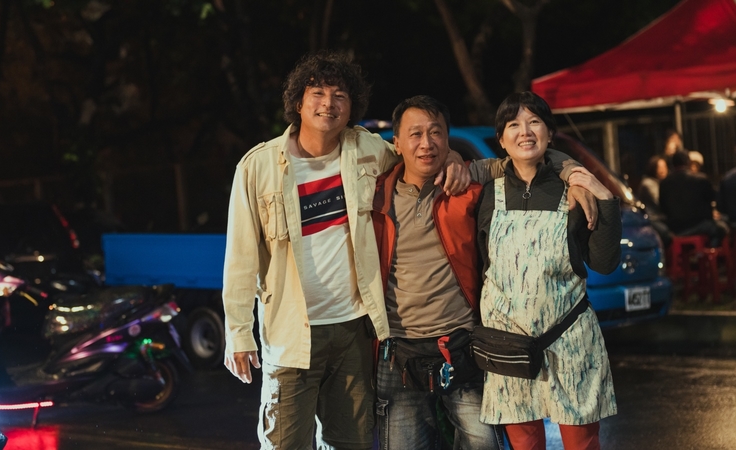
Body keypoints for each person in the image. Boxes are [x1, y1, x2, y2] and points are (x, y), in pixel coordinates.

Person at [221, 51, 474, 450]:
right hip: (291, 332)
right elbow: (239, 257)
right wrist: (238, 333)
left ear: (352, 106)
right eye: (318, 93)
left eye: (340, 95)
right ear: (298, 102)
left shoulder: (368, 150)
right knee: (285, 443)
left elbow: (419, 155)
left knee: (350, 442)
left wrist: (455, 157)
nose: (329, 103)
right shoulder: (259, 166)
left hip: (354, 329)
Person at [371, 96, 595, 450]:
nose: (426, 143)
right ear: (396, 143)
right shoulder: (373, 197)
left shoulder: (468, 187)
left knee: (485, 444)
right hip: (398, 352)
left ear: (448, 139)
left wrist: (573, 174)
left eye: (436, 133)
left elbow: (526, 156)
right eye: (415, 134)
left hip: (463, 346)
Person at [476, 91, 621, 450]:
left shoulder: (573, 191)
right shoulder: (486, 194)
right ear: (501, 139)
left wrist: (603, 196)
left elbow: (604, 263)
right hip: (508, 347)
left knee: (582, 444)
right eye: (513, 125)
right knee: (524, 445)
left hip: (570, 340)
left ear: (550, 133)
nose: (525, 132)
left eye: (534, 122)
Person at [660, 150, 728, 247]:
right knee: (722, 229)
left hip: (674, 228)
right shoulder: (700, 179)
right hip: (699, 225)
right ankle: (709, 252)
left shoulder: (664, 183)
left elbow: (662, 207)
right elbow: (713, 198)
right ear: (688, 162)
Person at [637, 155, 672, 244]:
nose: (663, 170)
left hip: (662, 217)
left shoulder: (662, 182)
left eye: (664, 167)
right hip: (651, 218)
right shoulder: (648, 183)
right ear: (653, 168)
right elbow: (658, 200)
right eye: (660, 167)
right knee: (666, 233)